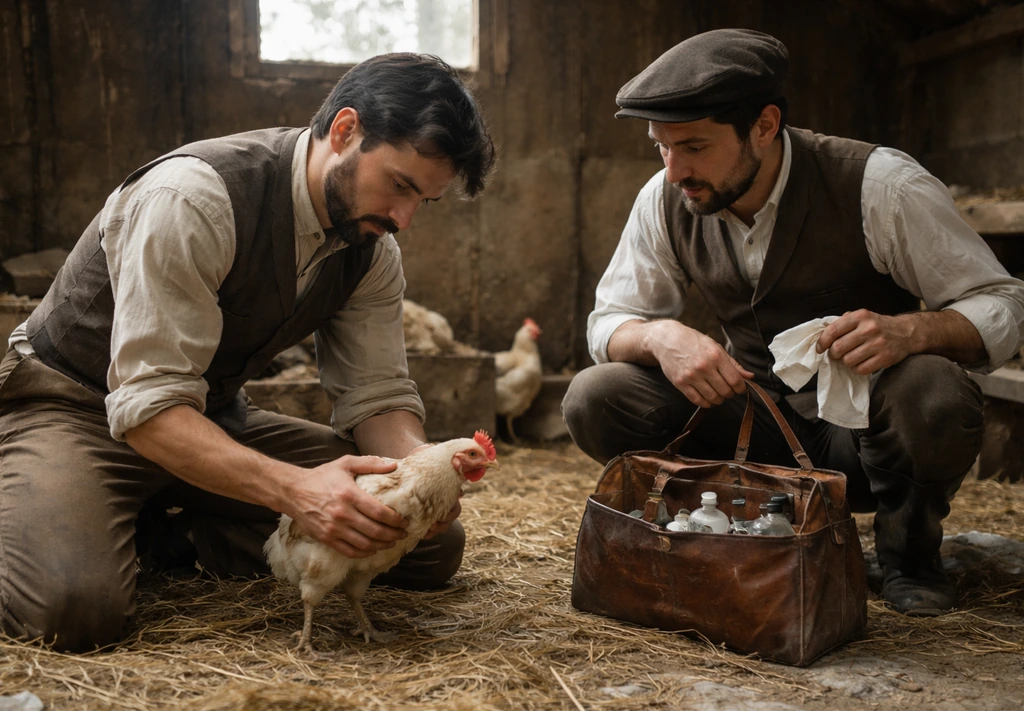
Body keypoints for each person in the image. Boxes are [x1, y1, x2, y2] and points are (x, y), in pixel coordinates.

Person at [0, 53, 495, 651]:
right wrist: (297, 492)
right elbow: (151, 407)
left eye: (425, 202)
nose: (404, 219)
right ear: (344, 131)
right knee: (70, 608)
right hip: (75, 411)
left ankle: (161, 534)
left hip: (204, 419)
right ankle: (45, 506)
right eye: (399, 186)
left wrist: (421, 477)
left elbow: (378, 399)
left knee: (423, 545)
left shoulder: (370, 247)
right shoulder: (194, 200)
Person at [562, 29, 1024, 616]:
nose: (674, 170)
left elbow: (1004, 300)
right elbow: (610, 321)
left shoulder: (880, 185)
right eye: (661, 147)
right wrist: (659, 335)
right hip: (755, 428)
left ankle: (909, 558)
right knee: (597, 395)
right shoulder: (666, 197)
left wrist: (915, 330)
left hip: (865, 435)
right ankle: (718, 537)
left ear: (764, 125)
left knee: (932, 389)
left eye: (695, 146)